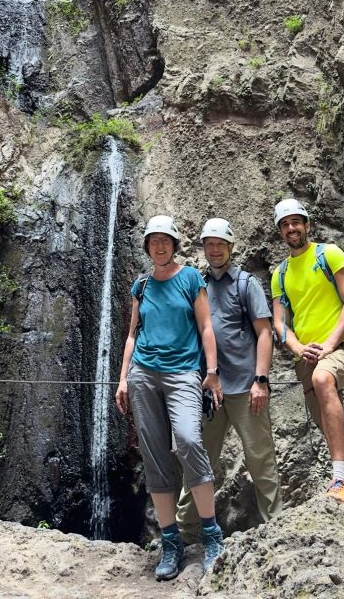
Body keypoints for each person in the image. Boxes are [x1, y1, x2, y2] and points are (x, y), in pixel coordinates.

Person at [115, 215, 226, 580]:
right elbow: (132, 334)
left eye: (165, 240)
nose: (159, 246)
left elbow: (206, 326)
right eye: (153, 241)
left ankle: (211, 534)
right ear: (146, 246)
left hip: (183, 374)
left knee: (190, 441)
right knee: (155, 457)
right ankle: (170, 543)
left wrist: (211, 373)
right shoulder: (141, 285)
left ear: (174, 244)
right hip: (143, 375)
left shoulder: (191, 278)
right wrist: (123, 379)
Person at [176, 218, 282, 542]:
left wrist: (261, 380)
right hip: (209, 391)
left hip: (245, 388)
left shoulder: (246, 284)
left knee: (260, 457)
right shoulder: (198, 285)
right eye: (209, 244)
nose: (215, 249)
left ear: (231, 248)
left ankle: (276, 530)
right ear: (204, 248)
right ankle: (184, 534)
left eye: (221, 243)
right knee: (198, 461)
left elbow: (265, 333)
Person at [270, 199, 344, 510]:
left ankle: (337, 481)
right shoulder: (280, 274)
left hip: (339, 348)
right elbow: (279, 323)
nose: (291, 228)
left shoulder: (330, 254)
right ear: (280, 232)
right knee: (335, 437)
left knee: (324, 379)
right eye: (285, 224)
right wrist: (298, 347)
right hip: (306, 360)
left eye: (296, 221)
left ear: (307, 224)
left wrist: (330, 344)